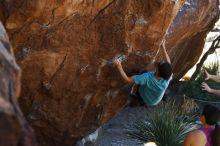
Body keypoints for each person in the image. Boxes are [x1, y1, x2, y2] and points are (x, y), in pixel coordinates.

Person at [113, 41, 172, 106]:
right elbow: (168, 63)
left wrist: (119, 66)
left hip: (147, 100)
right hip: (156, 99)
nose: (160, 62)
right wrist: (163, 47)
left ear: (158, 71)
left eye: (160, 64)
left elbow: (127, 79)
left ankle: (136, 100)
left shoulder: (147, 77)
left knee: (142, 73)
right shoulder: (167, 77)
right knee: (148, 83)